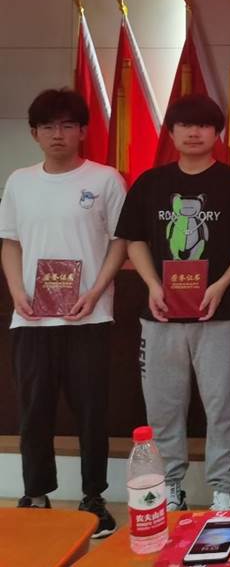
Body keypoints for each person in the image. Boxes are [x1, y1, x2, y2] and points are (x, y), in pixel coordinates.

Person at [115, 93, 230, 512]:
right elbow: (134, 239)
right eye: (184, 125)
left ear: (217, 133)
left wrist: (222, 284)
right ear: (172, 132)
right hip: (160, 316)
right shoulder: (151, 183)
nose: (194, 132)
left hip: (220, 314)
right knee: (163, 409)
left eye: (203, 125)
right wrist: (152, 284)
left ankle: (224, 490)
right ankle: (169, 488)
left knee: (224, 407)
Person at [0, 89, 126, 537]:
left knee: (92, 411)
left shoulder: (106, 179)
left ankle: (94, 498)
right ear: (34, 133)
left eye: (68, 125)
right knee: (34, 410)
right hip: (32, 318)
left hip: (87, 316)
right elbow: (10, 242)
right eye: (49, 126)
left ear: (83, 131)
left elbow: (121, 241)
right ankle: (36, 494)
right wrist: (17, 291)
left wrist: (96, 290)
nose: (58, 134)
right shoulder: (19, 181)